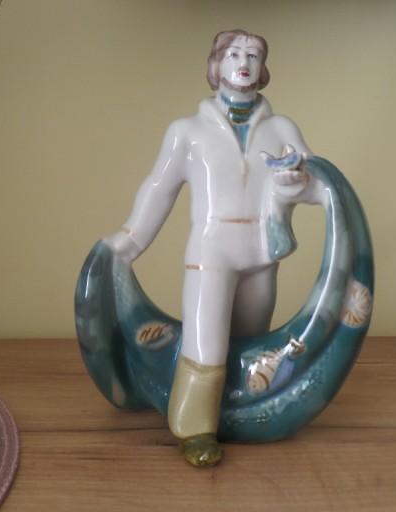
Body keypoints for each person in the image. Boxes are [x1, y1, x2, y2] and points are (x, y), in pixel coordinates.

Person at [105, 29, 316, 466]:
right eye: (234, 54)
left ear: (263, 68)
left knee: (252, 339)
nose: (244, 62)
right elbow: (159, 189)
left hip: (263, 250)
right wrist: (131, 239)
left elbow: (315, 183)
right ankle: (194, 427)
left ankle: (239, 413)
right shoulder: (187, 131)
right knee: (206, 341)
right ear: (216, 65)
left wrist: (298, 182)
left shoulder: (282, 128)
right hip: (212, 250)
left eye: (254, 55)